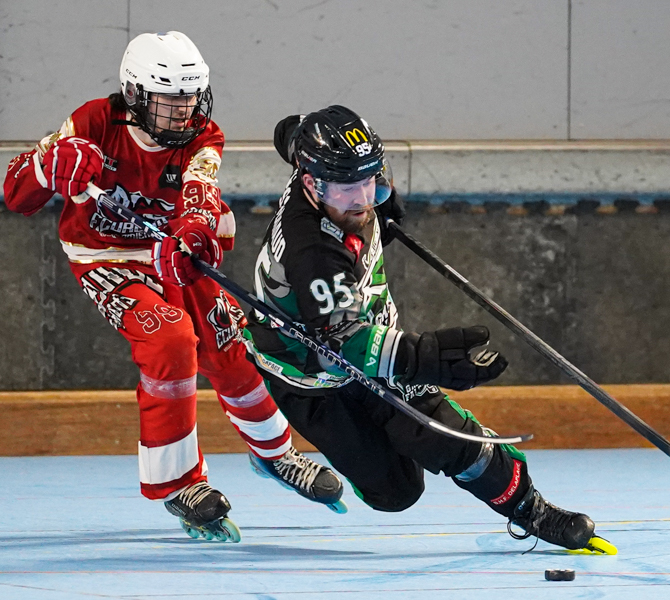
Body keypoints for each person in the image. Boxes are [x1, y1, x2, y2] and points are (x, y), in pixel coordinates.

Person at [2, 31, 343, 542]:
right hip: (107, 258)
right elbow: (15, 194)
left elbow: (201, 191)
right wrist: (49, 165)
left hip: (172, 254)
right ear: (136, 95)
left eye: (192, 97)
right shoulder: (92, 121)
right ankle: (179, 484)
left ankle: (277, 455)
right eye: (171, 100)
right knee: (169, 340)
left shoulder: (205, 135)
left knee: (230, 345)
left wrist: (196, 230)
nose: (185, 112)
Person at [242, 105, 616, 553]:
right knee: (395, 493)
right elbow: (342, 346)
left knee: (441, 438)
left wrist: (369, 194)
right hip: (308, 376)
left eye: (371, 179)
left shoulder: (327, 170)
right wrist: (428, 359)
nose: (363, 198)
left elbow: (289, 131)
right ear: (310, 183)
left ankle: (530, 509)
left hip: (367, 342)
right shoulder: (314, 253)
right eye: (347, 189)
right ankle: (273, 452)